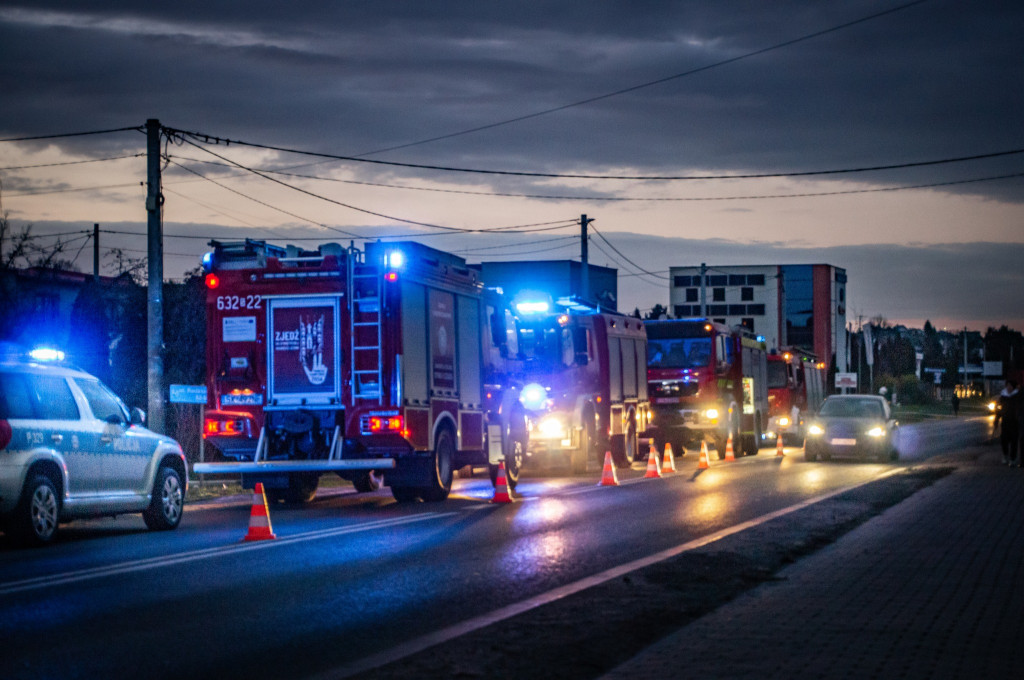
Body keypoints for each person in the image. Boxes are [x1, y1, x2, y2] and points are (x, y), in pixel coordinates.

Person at [997, 380, 1021, 466]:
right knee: (1004, 440)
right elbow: (998, 408)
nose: (1009, 388)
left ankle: (1013, 458)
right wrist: (997, 419)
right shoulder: (1003, 396)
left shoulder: (1017, 396)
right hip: (1005, 421)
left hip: (1014, 422)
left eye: (1010, 386)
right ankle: (1005, 455)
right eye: (1007, 386)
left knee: (1014, 441)